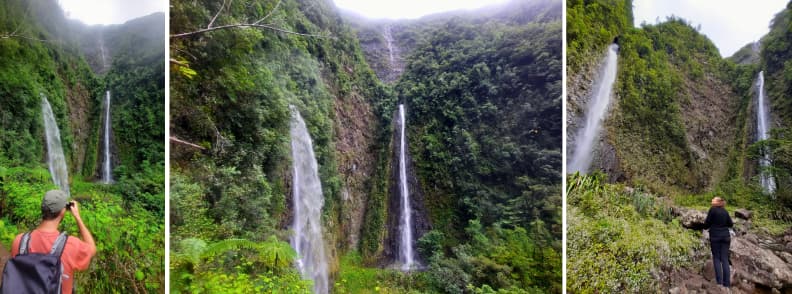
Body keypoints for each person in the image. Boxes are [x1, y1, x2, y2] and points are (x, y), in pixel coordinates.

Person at [10, 190, 96, 294]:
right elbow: (92, 249)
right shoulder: (71, 245)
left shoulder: (19, 241)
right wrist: (77, 217)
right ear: (63, 211)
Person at [704, 196, 733, 289]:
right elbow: (731, 224)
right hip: (726, 237)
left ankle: (719, 283)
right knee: (724, 259)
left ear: (717, 202)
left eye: (713, 199)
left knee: (716, 258)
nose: (712, 200)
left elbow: (707, 224)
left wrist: (702, 226)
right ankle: (727, 284)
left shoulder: (712, 210)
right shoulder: (725, 211)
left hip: (715, 236)